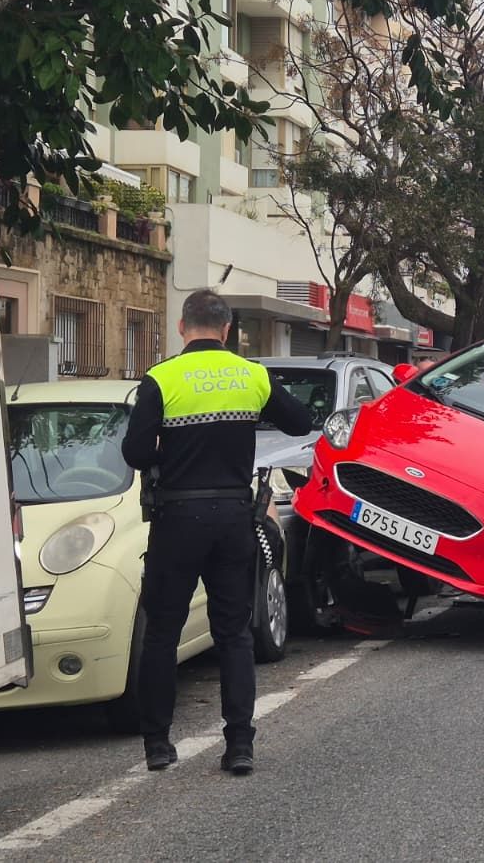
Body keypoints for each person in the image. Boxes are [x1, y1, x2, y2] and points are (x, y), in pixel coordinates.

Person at [121, 289, 312, 775]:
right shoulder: (251, 376)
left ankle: (159, 745)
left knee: (162, 633)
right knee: (234, 634)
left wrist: (170, 450)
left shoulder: (161, 378)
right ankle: (240, 746)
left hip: (178, 520)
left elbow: (136, 454)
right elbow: (300, 423)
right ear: (227, 330)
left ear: (183, 327)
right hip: (233, 520)